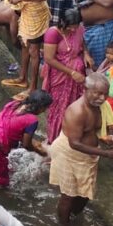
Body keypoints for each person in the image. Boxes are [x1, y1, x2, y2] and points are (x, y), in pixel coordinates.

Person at [50, 73, 113, 224]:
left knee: (85, 195)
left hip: (89, 156)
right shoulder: (77, 111)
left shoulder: (102, 106)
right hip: (69, 154)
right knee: (68, 196)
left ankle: (74, 217)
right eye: (98, 93)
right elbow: (75, 144)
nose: (102, 98)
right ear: (85, 89)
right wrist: (107, 153)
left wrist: (112, 139)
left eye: (105, 94)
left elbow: (104, 129)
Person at [0, 90, 53, 187]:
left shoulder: (14, 104)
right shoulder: (32, 120)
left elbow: (12, 127)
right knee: (1, 181)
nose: (45, 111)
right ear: (41, 107)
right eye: (45, 108)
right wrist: (40, 152)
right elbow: (26, 144)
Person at [3, 0, 50, 90]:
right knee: (25, 44)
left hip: (36, 13)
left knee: (34, 51)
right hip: (28, 10)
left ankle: (33, 88)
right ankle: (22, 78)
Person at [43, 8, 88, 142]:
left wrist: (86, 54)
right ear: (62, 22)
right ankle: (55, 139)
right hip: (60, 75)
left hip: (77, 76)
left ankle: (71, 135)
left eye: (76, 26)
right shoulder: (53, 33)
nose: (73, 30)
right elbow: (49, 59)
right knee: (58, 108)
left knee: (74, 105)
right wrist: (71, 72)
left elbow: (82, 43)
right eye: (71, 27)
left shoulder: (79, 28)